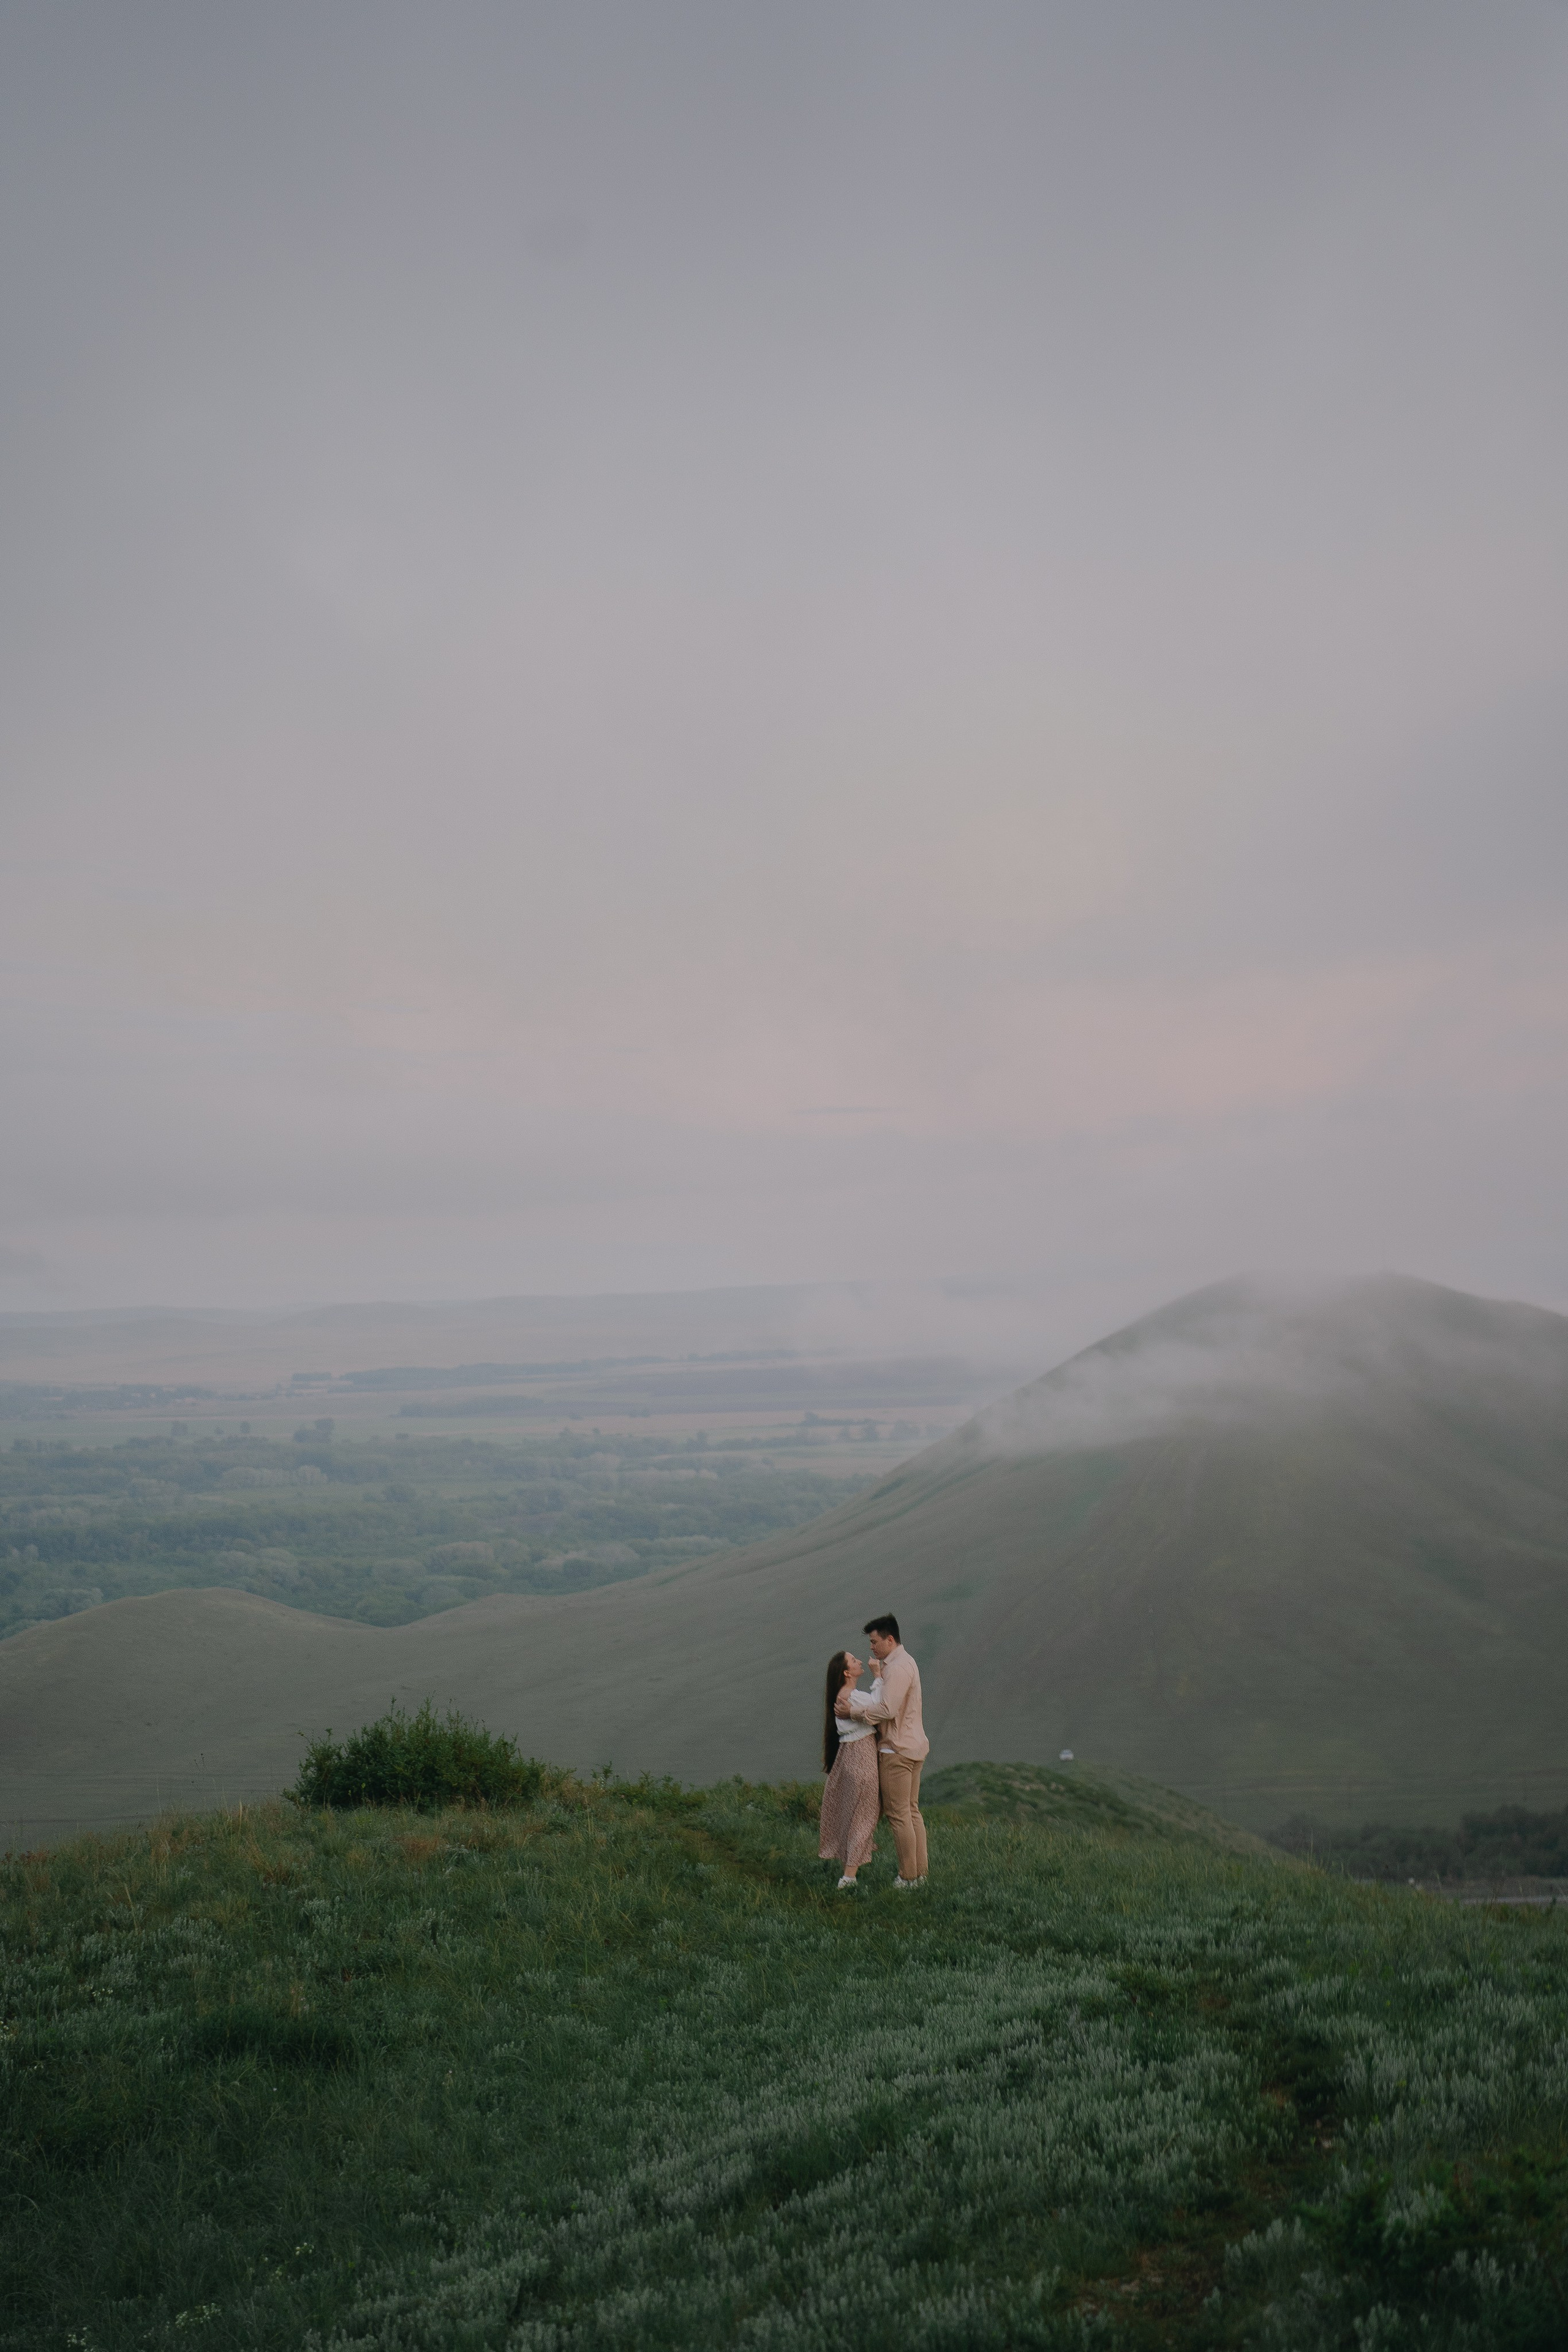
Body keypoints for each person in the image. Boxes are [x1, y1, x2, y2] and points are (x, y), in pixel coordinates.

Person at [835, 1613, 928, 1887]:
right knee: (911, 1811)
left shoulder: (897, 1668)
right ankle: (920, 1874)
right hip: (914, 1746)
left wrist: (853, 1712)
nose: (871, 1648)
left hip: (896, 1750)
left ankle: (908, 1877)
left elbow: (887, 1710)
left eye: (874, 1642)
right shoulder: (906, 1662)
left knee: (899, 1815)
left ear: (889, 1640)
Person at [818, 1648, 881, 1888]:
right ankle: (849, 1877)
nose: (859, 1661)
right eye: (854, 1660)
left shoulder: (842, 1696)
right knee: (864, 1816)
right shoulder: (853, 1697)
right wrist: (878, 1675)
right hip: (862, 1756)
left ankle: (848, 1869)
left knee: (853, 1814)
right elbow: (880, 1707)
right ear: (847, 1672)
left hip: (849, 1756)